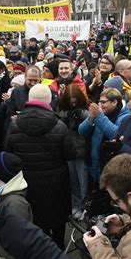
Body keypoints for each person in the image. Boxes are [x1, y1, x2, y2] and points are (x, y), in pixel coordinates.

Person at [5, 83, 73, 250]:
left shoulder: (14, 125)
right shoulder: (59, 126)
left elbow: (8, 152)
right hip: (56, 181)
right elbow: (70, 154)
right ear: (50, 101)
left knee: (35, 216)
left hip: (27, 181)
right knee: (57, 216)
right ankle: (58, 246)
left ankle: (41, 247)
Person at [0, 152, 33, 259]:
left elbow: (19, 236)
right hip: (9, 249)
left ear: (1, 174)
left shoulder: (15, 203)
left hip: (16, 254)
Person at [78, 88, 129, 184]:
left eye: (103, 102)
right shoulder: (99, 114)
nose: (100, 105)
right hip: (95, 163)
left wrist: (100, 117)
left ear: (114, 102)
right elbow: (81, 131)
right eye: (99, 102)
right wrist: (91, 119)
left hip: (111, 166)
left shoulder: (124, 116)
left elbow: (115, 134)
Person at [57, 84, 89, 218]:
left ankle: (84, 206)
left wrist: (82, 115)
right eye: (70, 98)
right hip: (69, 149)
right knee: (73, 180)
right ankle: (76, 205)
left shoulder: (84, 110)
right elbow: (58, 115)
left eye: (75, 98)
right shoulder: (62, 110)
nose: (72, 101)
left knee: (83, 181)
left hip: (82, 149)